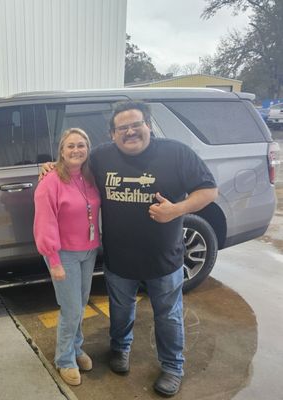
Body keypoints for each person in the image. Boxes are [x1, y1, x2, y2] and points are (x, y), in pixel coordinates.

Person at [41, 102, 218, 396]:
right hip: (119, 259)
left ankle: (173, 366)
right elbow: (71, 168)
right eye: (122, 128)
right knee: (121, 312)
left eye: (136, 124)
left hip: (164, 259)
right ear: (112, 134)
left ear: (148, 124)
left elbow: (209, 190)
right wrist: (49, 167)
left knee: (169, 315)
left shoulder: (176, 153)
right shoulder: (100, 157)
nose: (130, 131)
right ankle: (120, 349)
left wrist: (177, 210)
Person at [33, 128, 101, 386]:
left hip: (89, 250)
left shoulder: (90, 176)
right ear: (61, 151)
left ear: (88, 148)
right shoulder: (50, 181)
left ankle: (76, 347)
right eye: (70, 146)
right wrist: (54, 261)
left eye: (81, 145)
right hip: (64, 254)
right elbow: (44, 224)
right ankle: (64, 359)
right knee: (71, 308)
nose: (76, 150)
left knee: (81, 304)